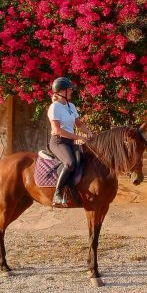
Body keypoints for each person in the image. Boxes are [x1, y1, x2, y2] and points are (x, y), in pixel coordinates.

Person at [47, 77, 94, 207]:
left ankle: (73, 189)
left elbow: (79, 124)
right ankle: (57, 193)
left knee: (84, 159)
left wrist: (88, 132)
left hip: (70, 142)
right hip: (58, 142)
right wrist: (78, 137)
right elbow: (57, 130)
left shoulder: (71, 106)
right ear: (61, 91)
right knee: (70, 162)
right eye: (69, 89)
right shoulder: (54, 107)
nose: (71, 91)